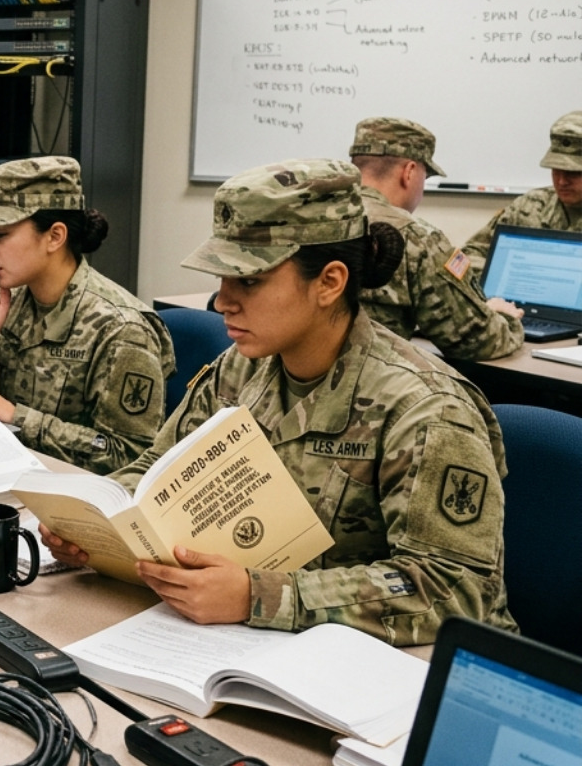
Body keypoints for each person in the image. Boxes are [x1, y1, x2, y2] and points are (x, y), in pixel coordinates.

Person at [42, 158, 516, 647]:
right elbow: (157, 468)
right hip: (252, 640)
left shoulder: (427, 410)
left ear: (329, 283)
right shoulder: (242, 366)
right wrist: (94, 523)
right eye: (222, 278)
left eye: (248, 281)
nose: (222, 301)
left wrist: (262, 596)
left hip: (393, 670)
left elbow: (456, 588)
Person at [0, 156, 175, 473]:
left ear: (55, 236)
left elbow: (129, 456)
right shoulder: (8, 302)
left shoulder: (122, 328)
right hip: (5, 476)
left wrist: (19, 418)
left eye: (1, 235)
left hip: (74, 498)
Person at [348, 116, 523, 359]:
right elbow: (477, 341)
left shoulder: (308, 217)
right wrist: (504, 317)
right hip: (372, 388)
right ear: (409, 172)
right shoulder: (416, 237)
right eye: (425, 175)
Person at [462, 110, 582, 280]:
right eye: (556, 170)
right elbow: (467, 255)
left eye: (573, 173)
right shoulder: (529, 206)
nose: (562, 181)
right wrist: (502, 276)